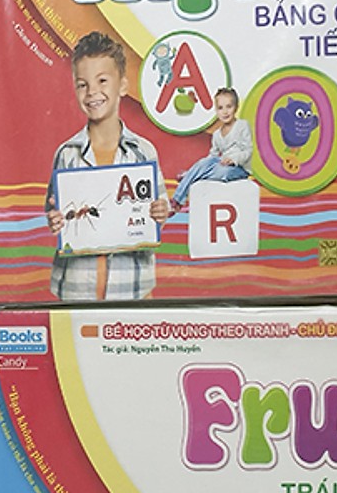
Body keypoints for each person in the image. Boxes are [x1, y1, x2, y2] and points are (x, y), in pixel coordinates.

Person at [46, 32, 170, 301]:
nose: (92, 92)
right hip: (76, 289)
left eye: (102, 80)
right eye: (82, 84)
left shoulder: (143, 152)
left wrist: (161, 211)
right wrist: (54, 219)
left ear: (123, 86)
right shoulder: (67, 154)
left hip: (132, 289)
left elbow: (162, 207)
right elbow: (53, 210)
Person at [169, 87, 252, 212]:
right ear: (216, 110)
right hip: (221, 163)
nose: (225, 112)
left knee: (222, 172)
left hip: (239, 168)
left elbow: (248, 151)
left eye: (229, 107)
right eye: (220, 108)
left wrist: (233, 159)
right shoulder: (217, 134)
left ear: (236, 107)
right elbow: (212, 156)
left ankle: (191, 175)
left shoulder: (242, 125)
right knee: (204, 163)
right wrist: (204, 165)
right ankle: (177, 200)